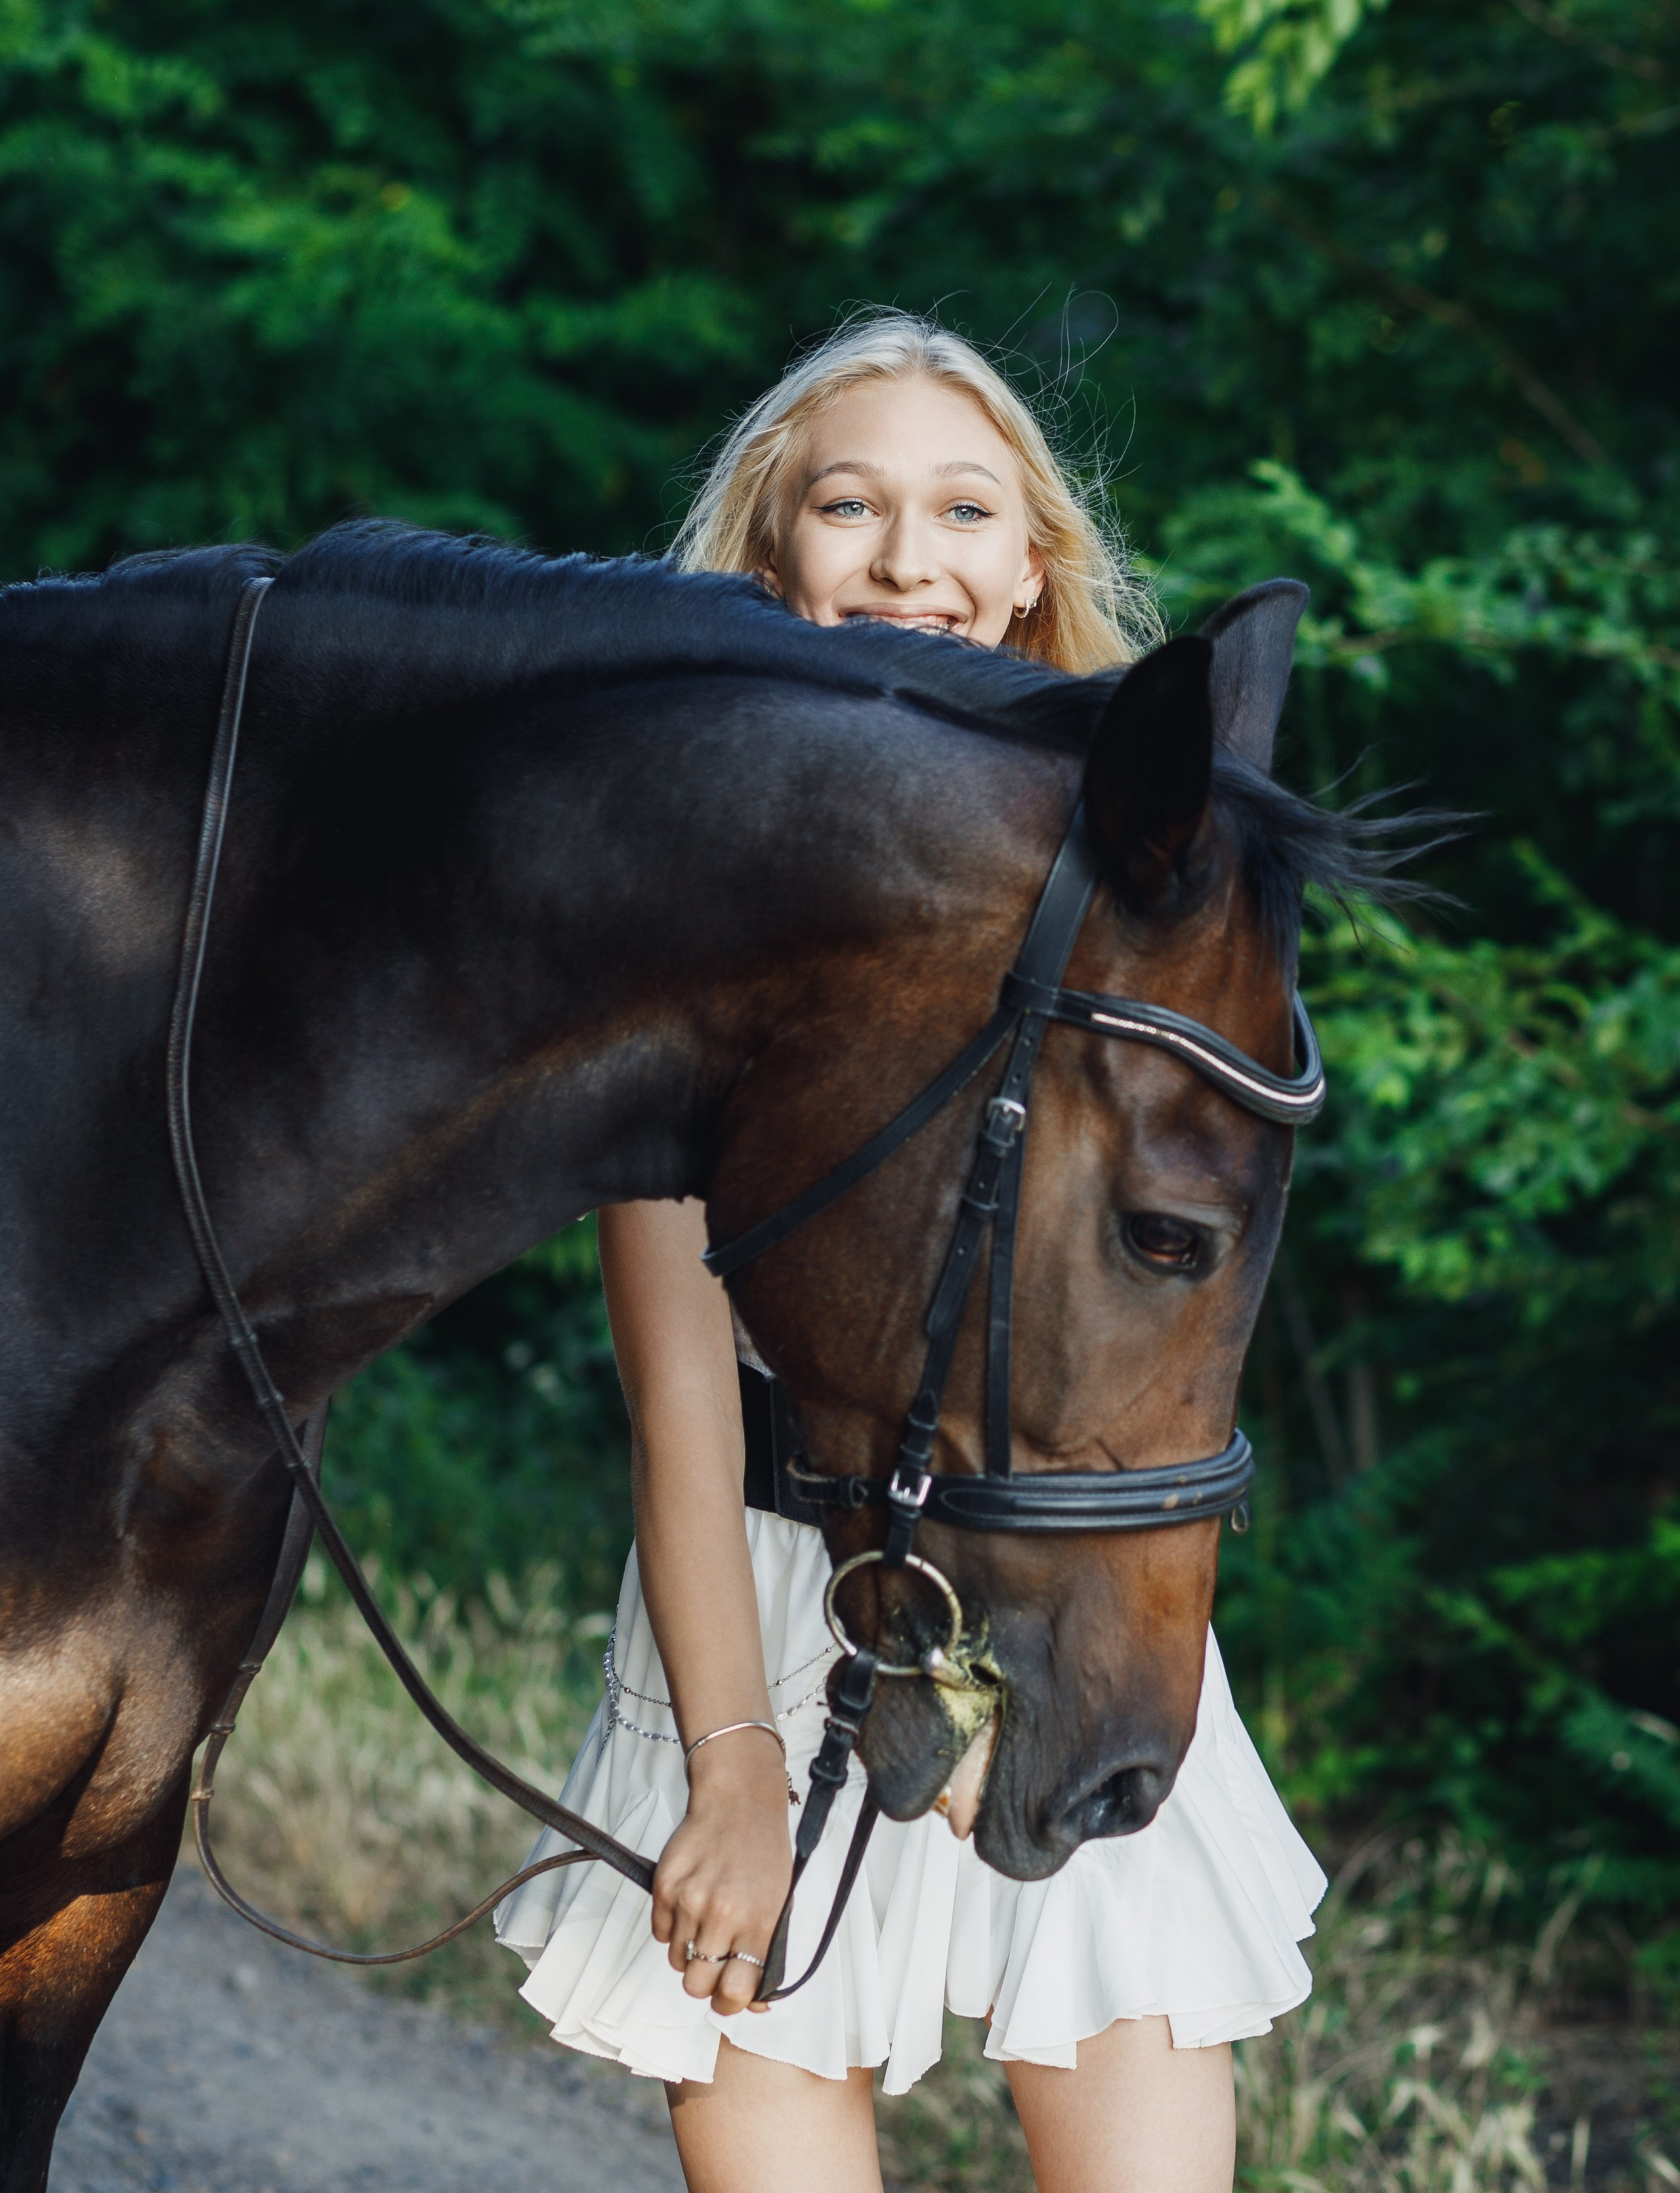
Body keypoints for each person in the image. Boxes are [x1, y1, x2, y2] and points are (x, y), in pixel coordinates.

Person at [497, 312, 1326, 2193]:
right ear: (772, 551)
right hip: (765, 1616)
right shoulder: (691, 899)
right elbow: (684, 1407)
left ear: (1032, 563)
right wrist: (728, 1770)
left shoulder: (1127, 895)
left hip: (1039, 1591)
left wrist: (1028, 1684)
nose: (905, 557)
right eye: (848, 506)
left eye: (963, 509)